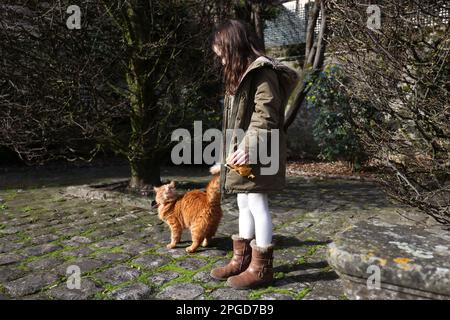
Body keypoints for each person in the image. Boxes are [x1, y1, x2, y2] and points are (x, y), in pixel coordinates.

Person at [209, 19, 299, 289]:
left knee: (258, 205)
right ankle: (242, 259)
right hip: (243, 152)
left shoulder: (263, 73)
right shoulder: (242, 74)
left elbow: (266, 118)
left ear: (235, 48)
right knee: (244, 204)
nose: (223, 61)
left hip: (260, 151)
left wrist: (248, 148)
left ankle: (261, 269)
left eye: (224, 55)